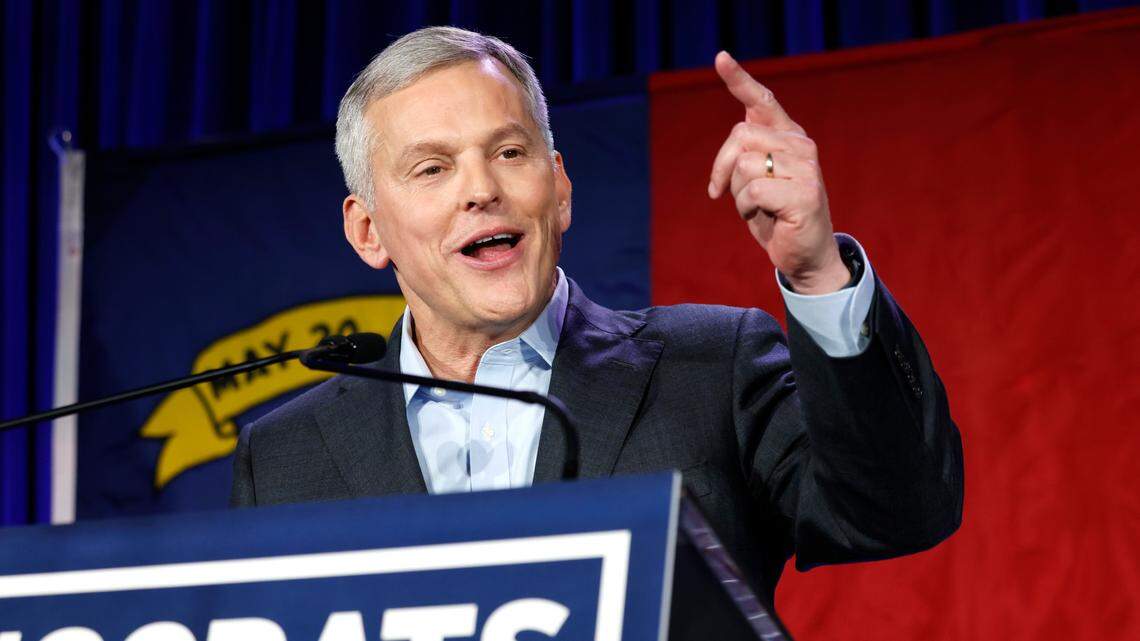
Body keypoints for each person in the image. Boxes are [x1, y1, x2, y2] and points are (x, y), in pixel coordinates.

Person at [230, 26, 963, 601]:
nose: (481, 189)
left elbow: (898, 509)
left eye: (510, 152)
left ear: (560, 189)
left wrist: (815, 271)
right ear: (368, 231)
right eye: (433, 168)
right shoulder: (285, 459)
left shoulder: (710, 366)